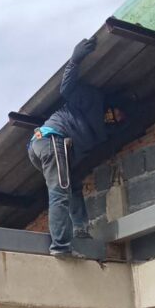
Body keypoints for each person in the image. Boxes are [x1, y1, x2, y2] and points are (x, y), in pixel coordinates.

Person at [27, 36, 128, 257]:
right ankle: (60, 246)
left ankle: (81, 231)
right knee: (60, 192)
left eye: (119, 119)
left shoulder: (101, 134)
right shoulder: (93, 99)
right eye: (116, 113)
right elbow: (67, 88)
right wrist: (75, 60)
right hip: (51, 140)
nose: (115, 118)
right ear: (112, 105)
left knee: (72, 186)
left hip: (56, 149)